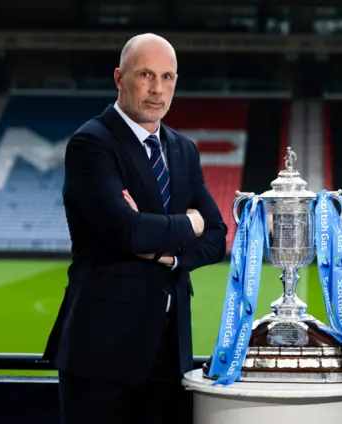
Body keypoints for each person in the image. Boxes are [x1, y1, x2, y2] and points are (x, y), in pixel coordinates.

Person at [43, 33, 227, 424]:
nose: (158, 89)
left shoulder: (182, 149)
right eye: (146, 74)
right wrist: (187, 223)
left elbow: (216, 238)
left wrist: (166, 253)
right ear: (118, 77)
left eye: (168, 77)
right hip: (102, 353)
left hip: (169, 353)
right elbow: (128, 232)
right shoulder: (92, 143)